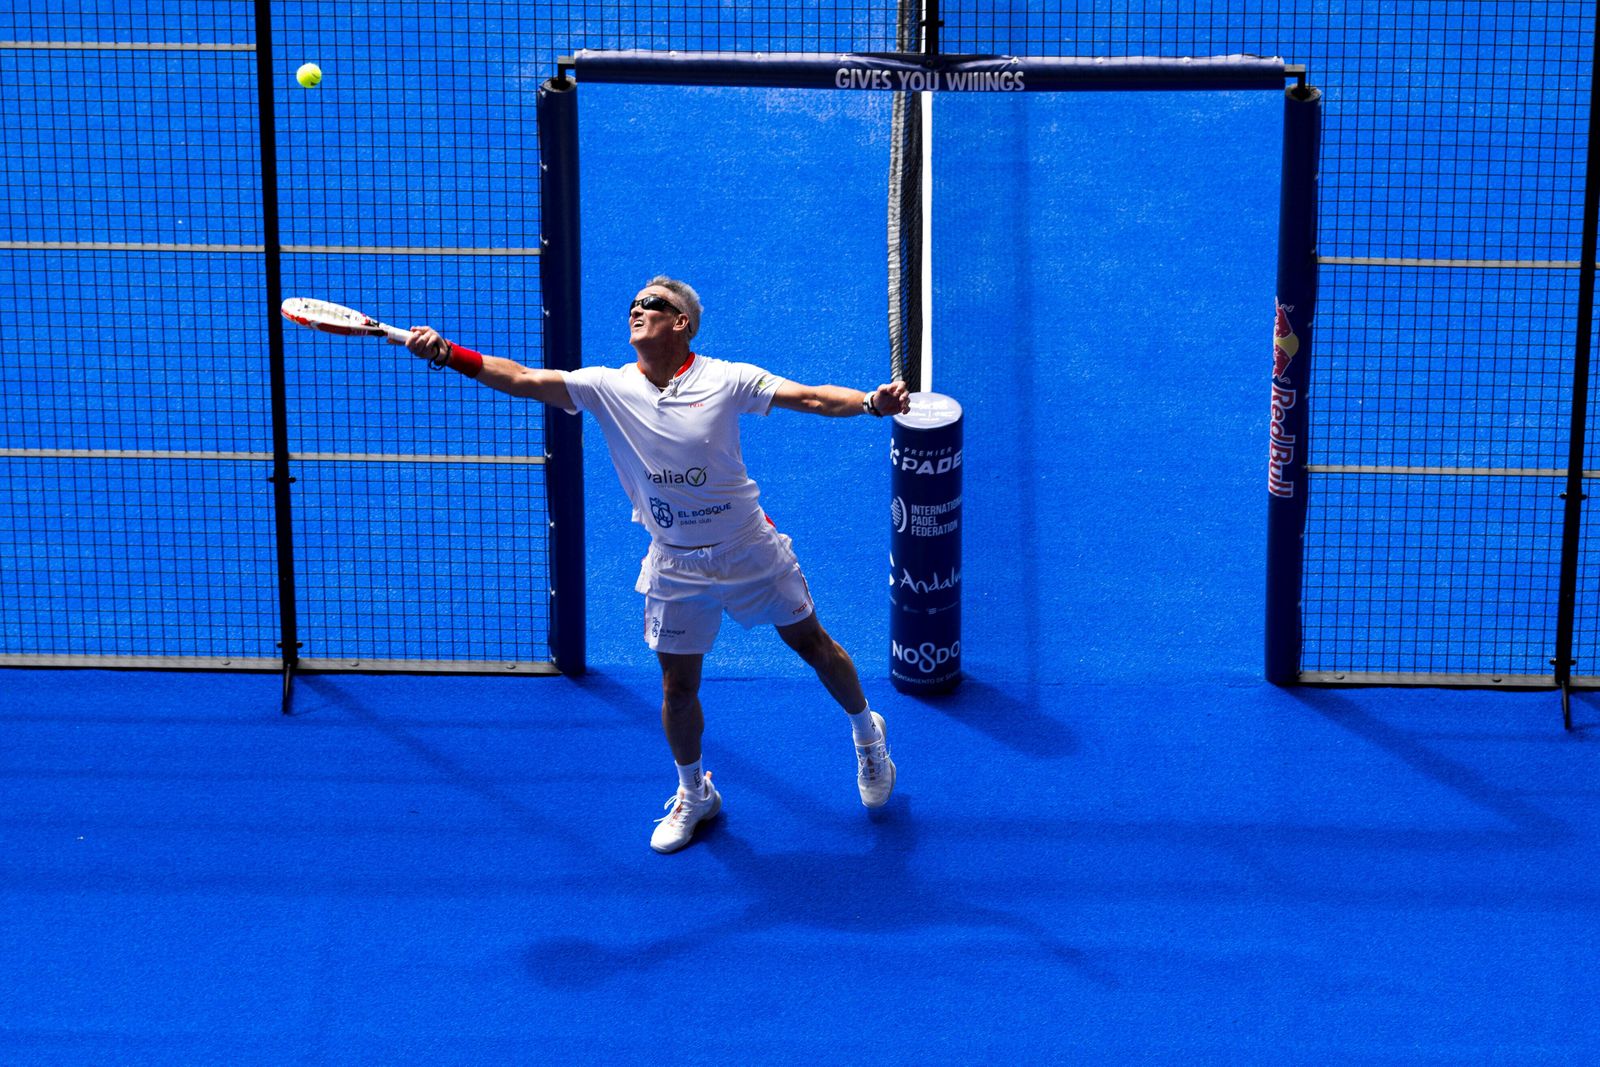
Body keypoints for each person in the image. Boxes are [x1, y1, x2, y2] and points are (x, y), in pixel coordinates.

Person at [399, 276, 910, 853]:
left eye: (653, 305)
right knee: (677, 685)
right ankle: (696, 793)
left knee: (812, 644)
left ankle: (868, 732)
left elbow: (812, 397)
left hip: (748, 546)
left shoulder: (725, 378)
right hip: (674, 562)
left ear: (682, 323)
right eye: (635, 305)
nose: (638, 311)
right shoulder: (606, 386)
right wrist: (448, 353)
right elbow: (520, 379)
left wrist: (870, 403)